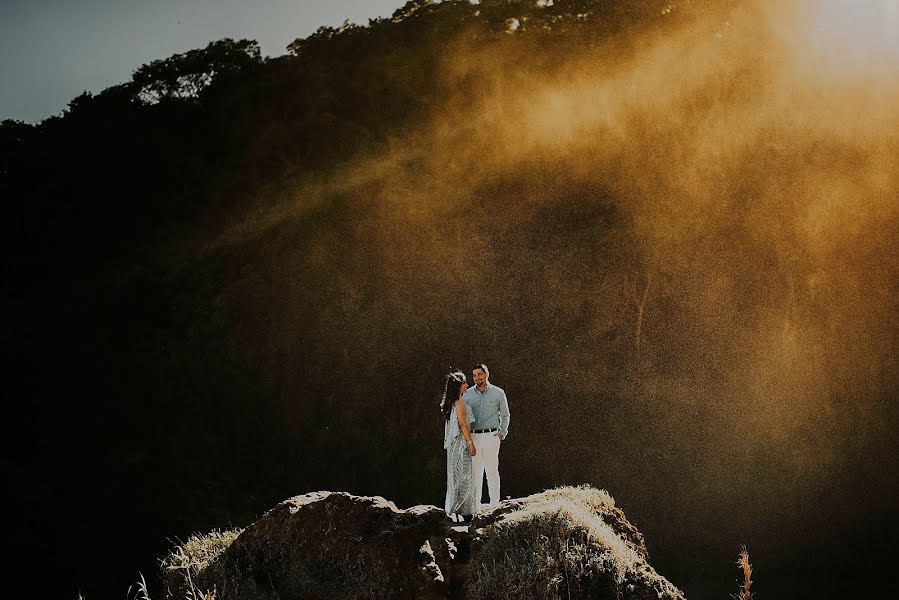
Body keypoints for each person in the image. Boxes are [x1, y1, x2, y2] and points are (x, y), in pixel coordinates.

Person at [464, 363, 510, 512]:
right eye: (474, 375)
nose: (477, 378)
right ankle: (475, 507)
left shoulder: (498, 392)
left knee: (492, 470)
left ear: (486, 374)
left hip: (492, 436)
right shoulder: (468, 394)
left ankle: (495, 505)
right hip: (474, 436)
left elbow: (505, 414)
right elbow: (463, 416)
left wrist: (502, 433)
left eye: (480, 374)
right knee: (476, 472)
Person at [441, 370, 477, 522]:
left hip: (453, 445)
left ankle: (454, 511)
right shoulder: (460, 402)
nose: (467, 385)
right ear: (458, 386)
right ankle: (464, 511)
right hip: (461, 443)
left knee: (455, 475)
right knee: (465, 475)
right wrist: (470, 443)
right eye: (464, 383)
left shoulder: (450, 403)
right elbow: (462, 424)